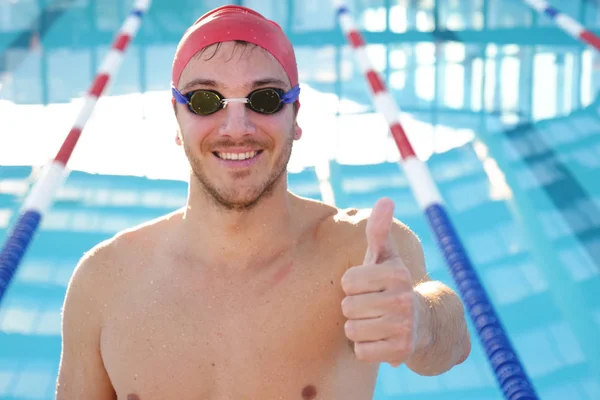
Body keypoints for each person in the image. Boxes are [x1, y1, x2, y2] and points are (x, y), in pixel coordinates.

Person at [56, 5, 471, 400]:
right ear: (177, 119)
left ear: (295, 115)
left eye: (265, 99)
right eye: (205, 100)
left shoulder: (358, 250)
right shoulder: (104, 280)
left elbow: (452, 342)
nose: (237, 128)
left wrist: (421, 322)